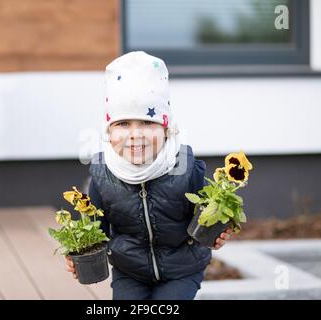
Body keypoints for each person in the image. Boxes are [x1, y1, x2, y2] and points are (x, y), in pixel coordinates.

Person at [66, 51, 232, 300]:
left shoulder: (185, 166)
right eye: (123, 124)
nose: (135, 134)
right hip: (129, 271)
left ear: (166, 129)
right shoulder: (102, 173)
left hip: (182, 269)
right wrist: (79, 252)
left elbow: (207, 217)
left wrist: (218, 233)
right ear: (108, 132)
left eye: (146, 123)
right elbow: (96, 230)